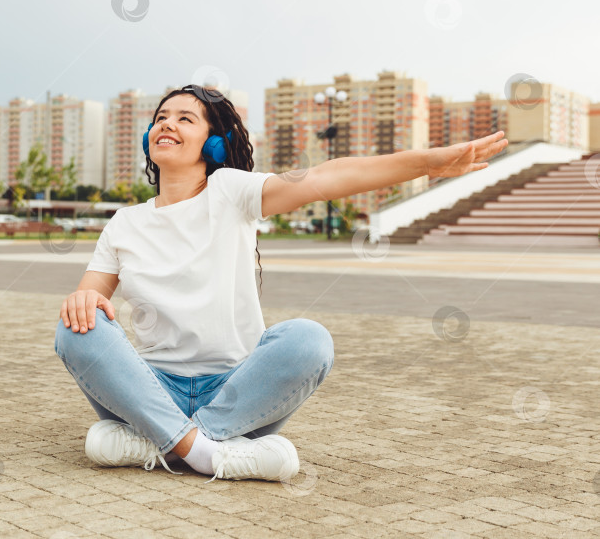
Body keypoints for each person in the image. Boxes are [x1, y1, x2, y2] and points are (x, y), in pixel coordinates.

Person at [54, 84, 507, 482]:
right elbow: (90, 298)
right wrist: (82, 300)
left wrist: (427, 162)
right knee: (76, 326)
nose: (166, 124)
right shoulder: (125, 223)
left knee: (309, 340)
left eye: (184, 118)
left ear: (212, 143)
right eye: (159, 119)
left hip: (236, 390)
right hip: (152, 390)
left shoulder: (232, 191)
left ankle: (163, 445)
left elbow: (327, 176)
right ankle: (208, 454)